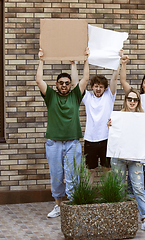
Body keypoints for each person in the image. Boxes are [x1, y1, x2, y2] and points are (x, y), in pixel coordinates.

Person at [36, 48, 89, 218]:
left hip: (72, 142)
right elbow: (38, 80)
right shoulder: (50, 96)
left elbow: (85, 79)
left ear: (70, 85)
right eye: (61, 83)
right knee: (56, 175)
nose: (64, 85)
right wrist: (41, 60)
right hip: (54, 143)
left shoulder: (75, 96)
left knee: (73, 174)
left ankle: (72, 205)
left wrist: (85, 60)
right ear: (57, 84)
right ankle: (58, 205)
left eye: (67, 83)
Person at [107, 88, 145, 233]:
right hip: (119, 157)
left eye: (135, 100)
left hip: (135, 158)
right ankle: (117, 218)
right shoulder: (118, 116)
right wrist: (110, 126)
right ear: (125, 100)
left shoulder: (143, 117)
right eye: (129, 99)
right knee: (117, 187)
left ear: (138, 101)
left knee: (139, 188)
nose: (132, 102)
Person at [119, 50, 145, 213]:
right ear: (142, 85)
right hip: (136, 139)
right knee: (134, 168)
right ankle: (132, 200)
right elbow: (123, 81)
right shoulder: (136, 97)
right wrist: (124, 64)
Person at [78, 58, 120, 185]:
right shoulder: (87, 98)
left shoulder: (109, 96)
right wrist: (75, 63)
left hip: (106, 139)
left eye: (101, 87)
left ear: (105, 88)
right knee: (90, 170)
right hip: (90, 140)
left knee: (107, 169)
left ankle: (109, 196)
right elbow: (77, 83)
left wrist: (118, 61)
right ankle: (87, 196)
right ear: (92, 87)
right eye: (96, 86)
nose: (98, 89)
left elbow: (114, 79)